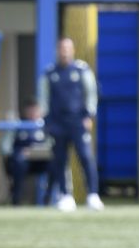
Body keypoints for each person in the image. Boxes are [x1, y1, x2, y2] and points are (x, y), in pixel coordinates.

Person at [39, 37, 104, 211]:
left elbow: (91, 93)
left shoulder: (82, 70)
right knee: (60, 160)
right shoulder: (50, 73)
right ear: (57, 50)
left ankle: (93, 195)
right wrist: (47, 120)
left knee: (86, 157)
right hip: (57, 124)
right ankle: (66, 195)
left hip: (78, 122)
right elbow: (43, 98)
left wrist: (89, 115)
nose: (64, 52)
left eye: (67, 48)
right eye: (62, 48)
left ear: (73, 50)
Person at [2, 97, 51, 206]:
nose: (32, 113)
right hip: (23, 162)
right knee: (18, 163)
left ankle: (49, 198)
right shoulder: (18, 125)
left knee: (54, 164)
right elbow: (5, 148)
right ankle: (16, 200)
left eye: (35, 109)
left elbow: (50, 144)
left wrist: (39, 151)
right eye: (30, 110)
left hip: (40, 161)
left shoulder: (44, 126)